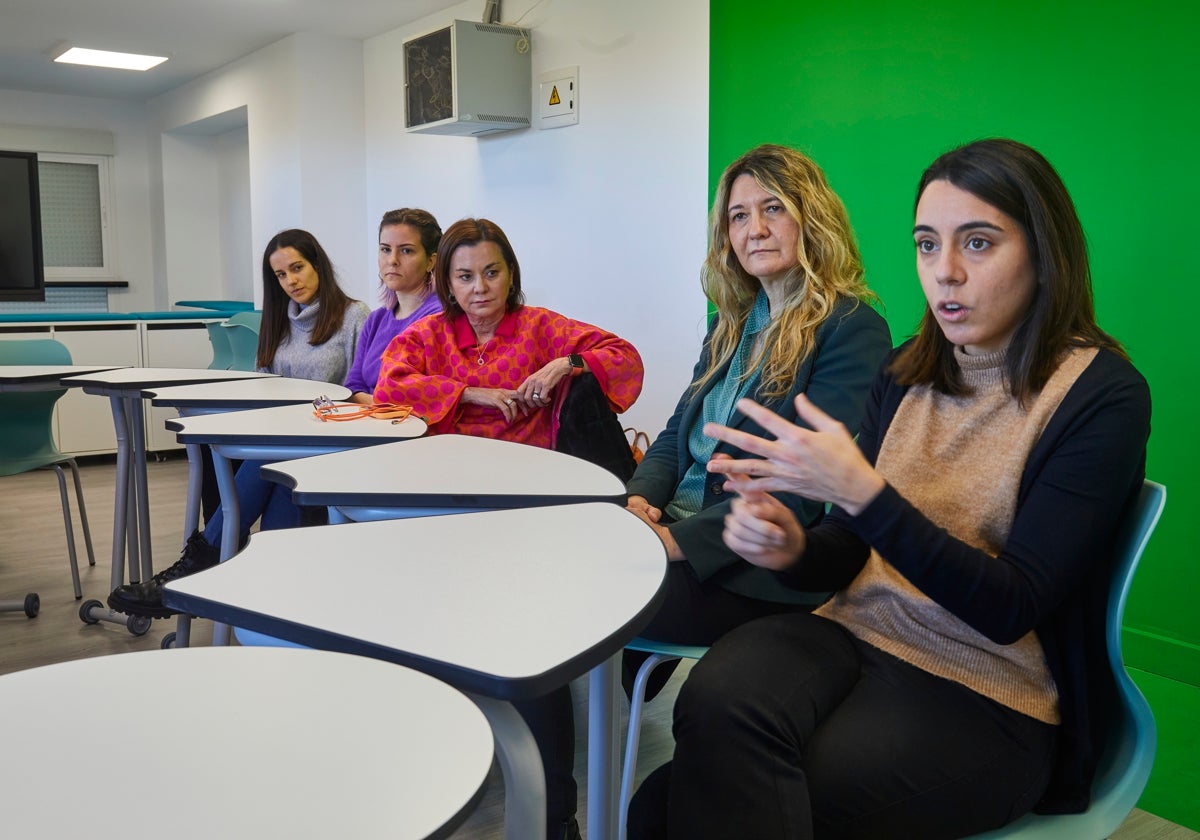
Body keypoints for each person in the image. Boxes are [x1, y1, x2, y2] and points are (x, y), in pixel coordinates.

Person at [628, 139, 1152, 839]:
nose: (947, 274)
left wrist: (865, 495)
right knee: (707, 718)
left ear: (1044, 249)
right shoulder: (907, 371)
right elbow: (847, 551)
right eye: (927, 245)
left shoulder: (1102, 395)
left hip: (988, 688)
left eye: (978, 242)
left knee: (670, 807)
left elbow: (1012, 606)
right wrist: (789, 548)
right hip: (858, 631)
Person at [375, 217, 644, 840]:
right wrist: (474, 394)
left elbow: (622, 358)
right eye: (465, 276)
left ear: (511, 273)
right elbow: (390, 385)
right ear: (446, 280)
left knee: (529, 634)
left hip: (538, 506)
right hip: (452, 505)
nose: (480, 288)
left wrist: (563, 365)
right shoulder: (431, 334)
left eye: (492, 272)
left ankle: (556, 819)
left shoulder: (542, 326)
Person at [621, 144, 891, 695]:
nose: (756, 229)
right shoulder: (732, 322)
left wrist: (674, 544)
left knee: (585, 591)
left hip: (756, 563)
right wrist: (638, 501)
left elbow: (801, 490)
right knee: (556, 560)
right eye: (739, 216)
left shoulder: (851, 327)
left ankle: (550, 776)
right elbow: (676, 434)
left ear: (810, 217)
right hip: (675, 528)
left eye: (773, 209)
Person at [107, 228, 370, 619]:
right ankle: (250, 591)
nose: (291, 281)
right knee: (262, 473)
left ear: (318, 265)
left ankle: (199, 565)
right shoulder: (278, 320)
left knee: (266, 473)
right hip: (283, 442)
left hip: (329, 443)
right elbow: (263, 386)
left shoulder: (355, 316)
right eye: (281, 275)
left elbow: (359, 389)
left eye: (297, 268)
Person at [345, 208, 444, 403]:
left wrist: (373, 403)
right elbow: (353, 386)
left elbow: (424, 394)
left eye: (406, 250)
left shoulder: (439, 316)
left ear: (430, 262)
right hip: (371, 424)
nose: (392, 260)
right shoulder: (376, 319)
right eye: (385, 249)